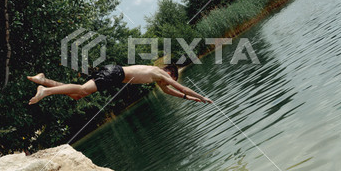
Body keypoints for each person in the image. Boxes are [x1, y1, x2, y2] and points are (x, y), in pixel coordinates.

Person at [27, 64, 213, 105]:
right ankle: (45, 90)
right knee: (83, 90)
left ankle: (45, 80)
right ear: (169, 72)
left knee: (77, 94)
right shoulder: (158, 72)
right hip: (115, 73)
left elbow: (172, 92)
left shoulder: (159, 80)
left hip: (113, 74)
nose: (170, 80)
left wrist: (191, 99)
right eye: (172, 76)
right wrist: (201, 96)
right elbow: (181, 87)